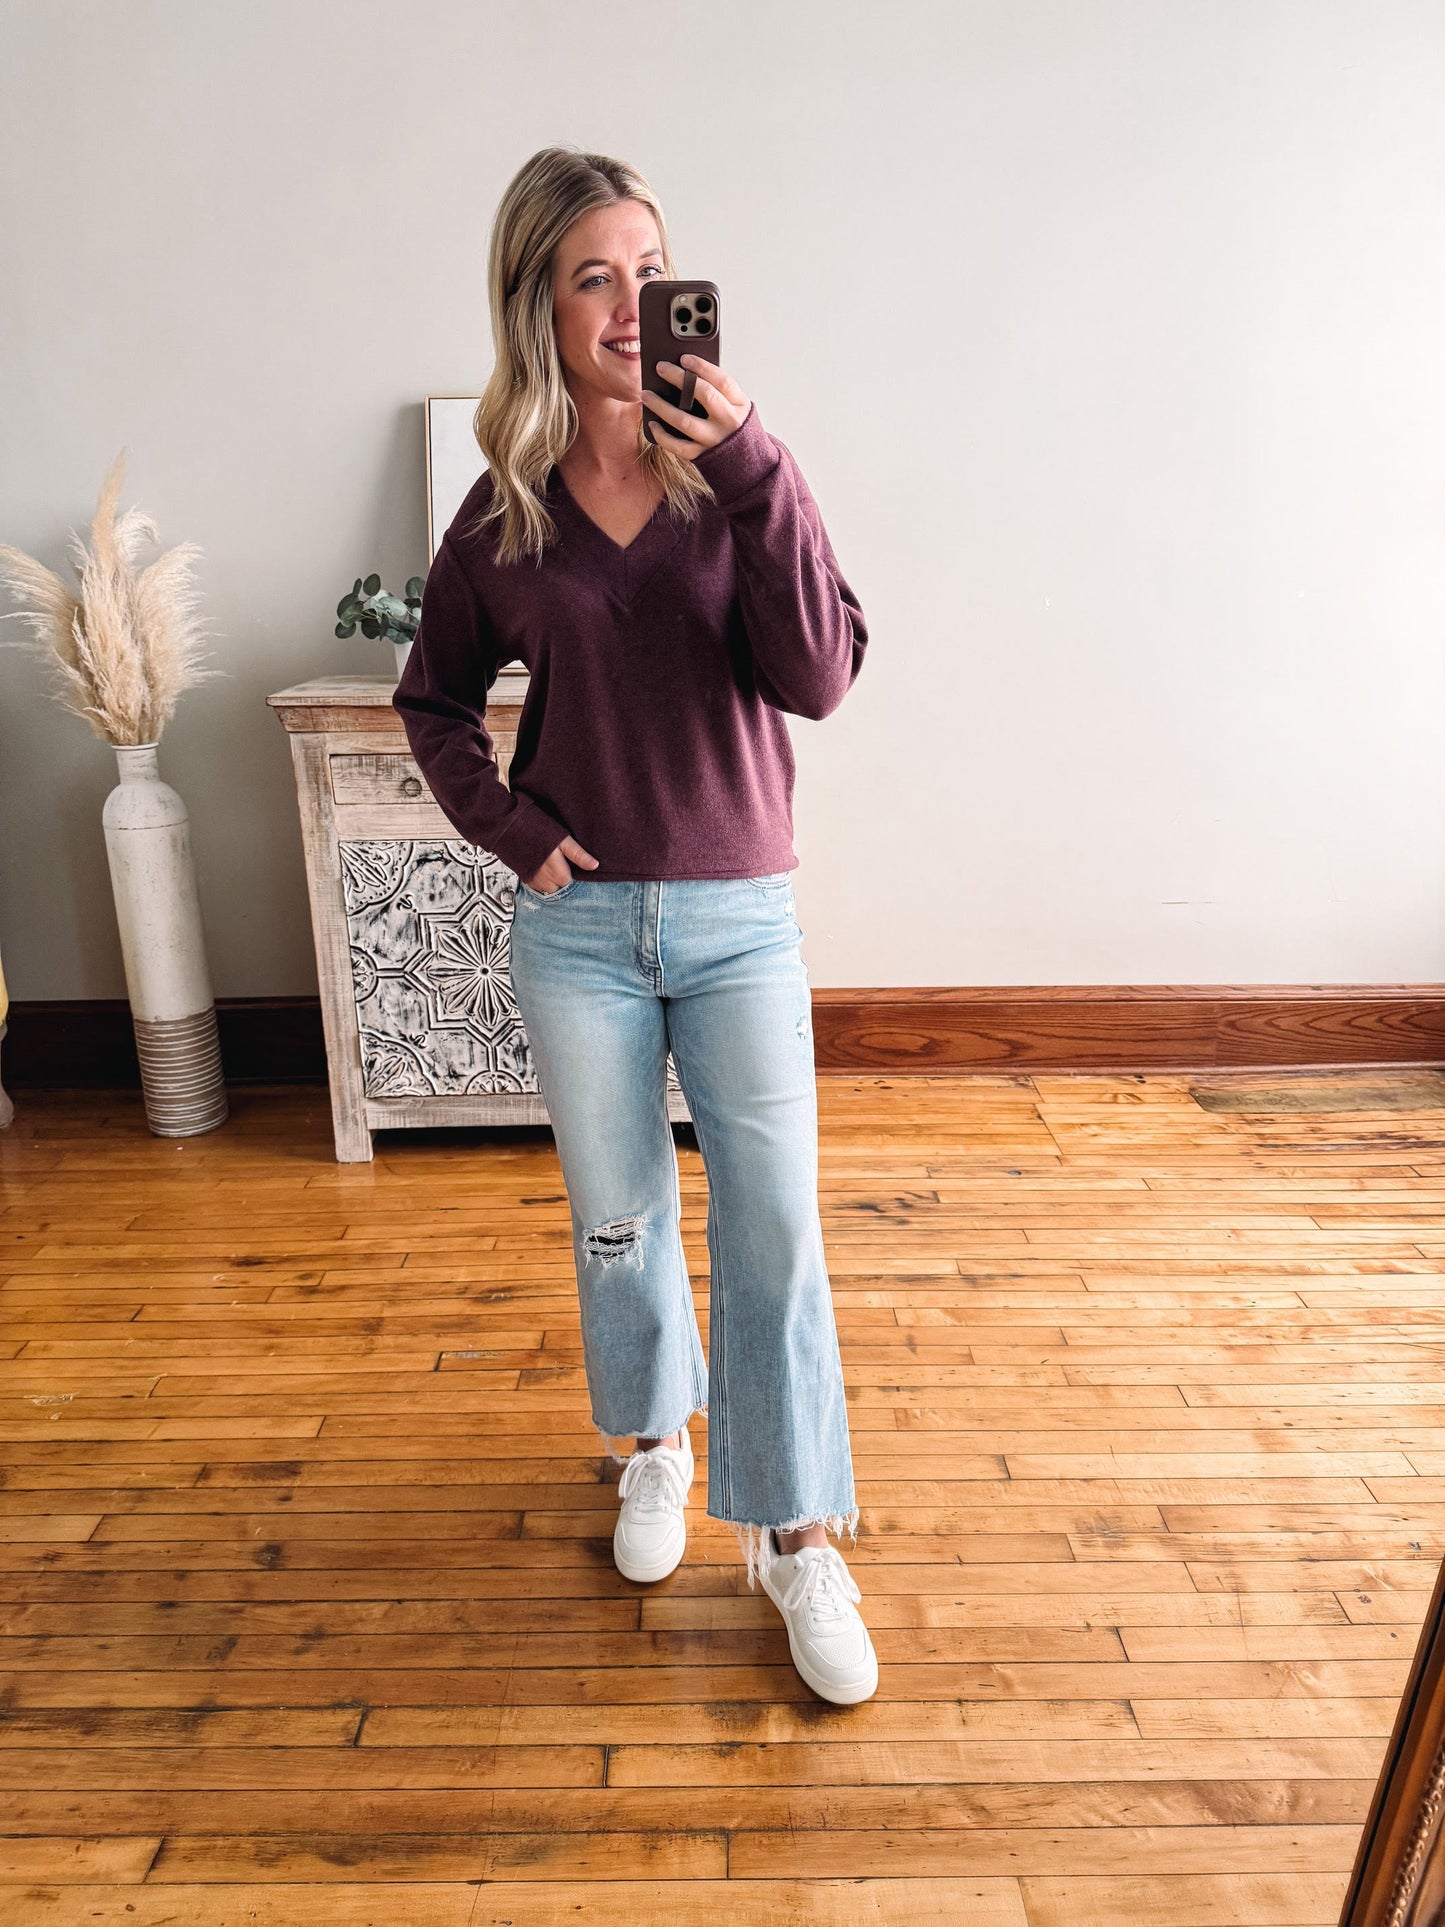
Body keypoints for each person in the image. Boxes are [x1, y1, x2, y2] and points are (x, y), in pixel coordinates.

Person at [394, 145, 875, 1705]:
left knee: (777, 1236)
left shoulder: (737, 475)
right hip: (583, 938)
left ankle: (798, 1535)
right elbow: (433, 705)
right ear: (540, 298)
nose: (625, 306)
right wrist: (516, 835)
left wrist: (757, 469)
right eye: (591, 275)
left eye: (646, 271)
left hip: (739, 918)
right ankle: (651, 1449)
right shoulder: (503, 512)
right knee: (618, 1229)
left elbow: (820, 675)